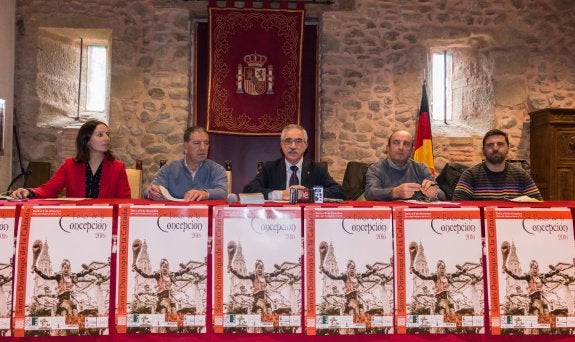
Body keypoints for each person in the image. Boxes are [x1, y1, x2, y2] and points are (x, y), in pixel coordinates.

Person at [11, 120, 131, 199]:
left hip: (106, 224)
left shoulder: (118, 167)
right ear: (87, 140)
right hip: (75, 223)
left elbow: (125, 201)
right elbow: (48, 190)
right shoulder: (70, 165)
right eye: (100, 135)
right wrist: (29, 192)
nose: (107, 138)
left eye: (107, 134)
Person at [242, 124, 345, 200]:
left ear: (306, 146)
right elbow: (249, 190)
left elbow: (339, 192)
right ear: (281, 145)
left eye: (298, 141)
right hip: (277, 223)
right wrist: (280, 195)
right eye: (288, 141)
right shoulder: (270, 168)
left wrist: (307, 194)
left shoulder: (317, 169)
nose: (293, 146)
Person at [452, 129, 543, 200]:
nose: (495, 148)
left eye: (500, 144)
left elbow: (538, 207)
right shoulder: (470, 175)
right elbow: (458, 209)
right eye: (490, 145)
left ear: (508, 148)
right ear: (483, 150)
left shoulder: (521, 175)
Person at [145, 126, 227, 201]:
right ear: (185, 147)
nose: (203, 148)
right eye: (197, 143)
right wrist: (151, 193)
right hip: (174, 215)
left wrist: (205, 193)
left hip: (205, 215)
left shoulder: (217, 169)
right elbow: (149, 190)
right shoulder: (169, 169)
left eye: (206, 143)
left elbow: (223, 192)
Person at [364, 130, 444, 201]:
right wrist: (394, 193)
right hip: (387, 215)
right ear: (388, 148)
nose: (401, 147)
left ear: (412, 151)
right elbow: (370, 193)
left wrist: (435, 193)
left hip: (415, 215)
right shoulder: (375, 169)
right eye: (396, 143)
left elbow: (442, 195)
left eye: (406, 144)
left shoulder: (421, 168)